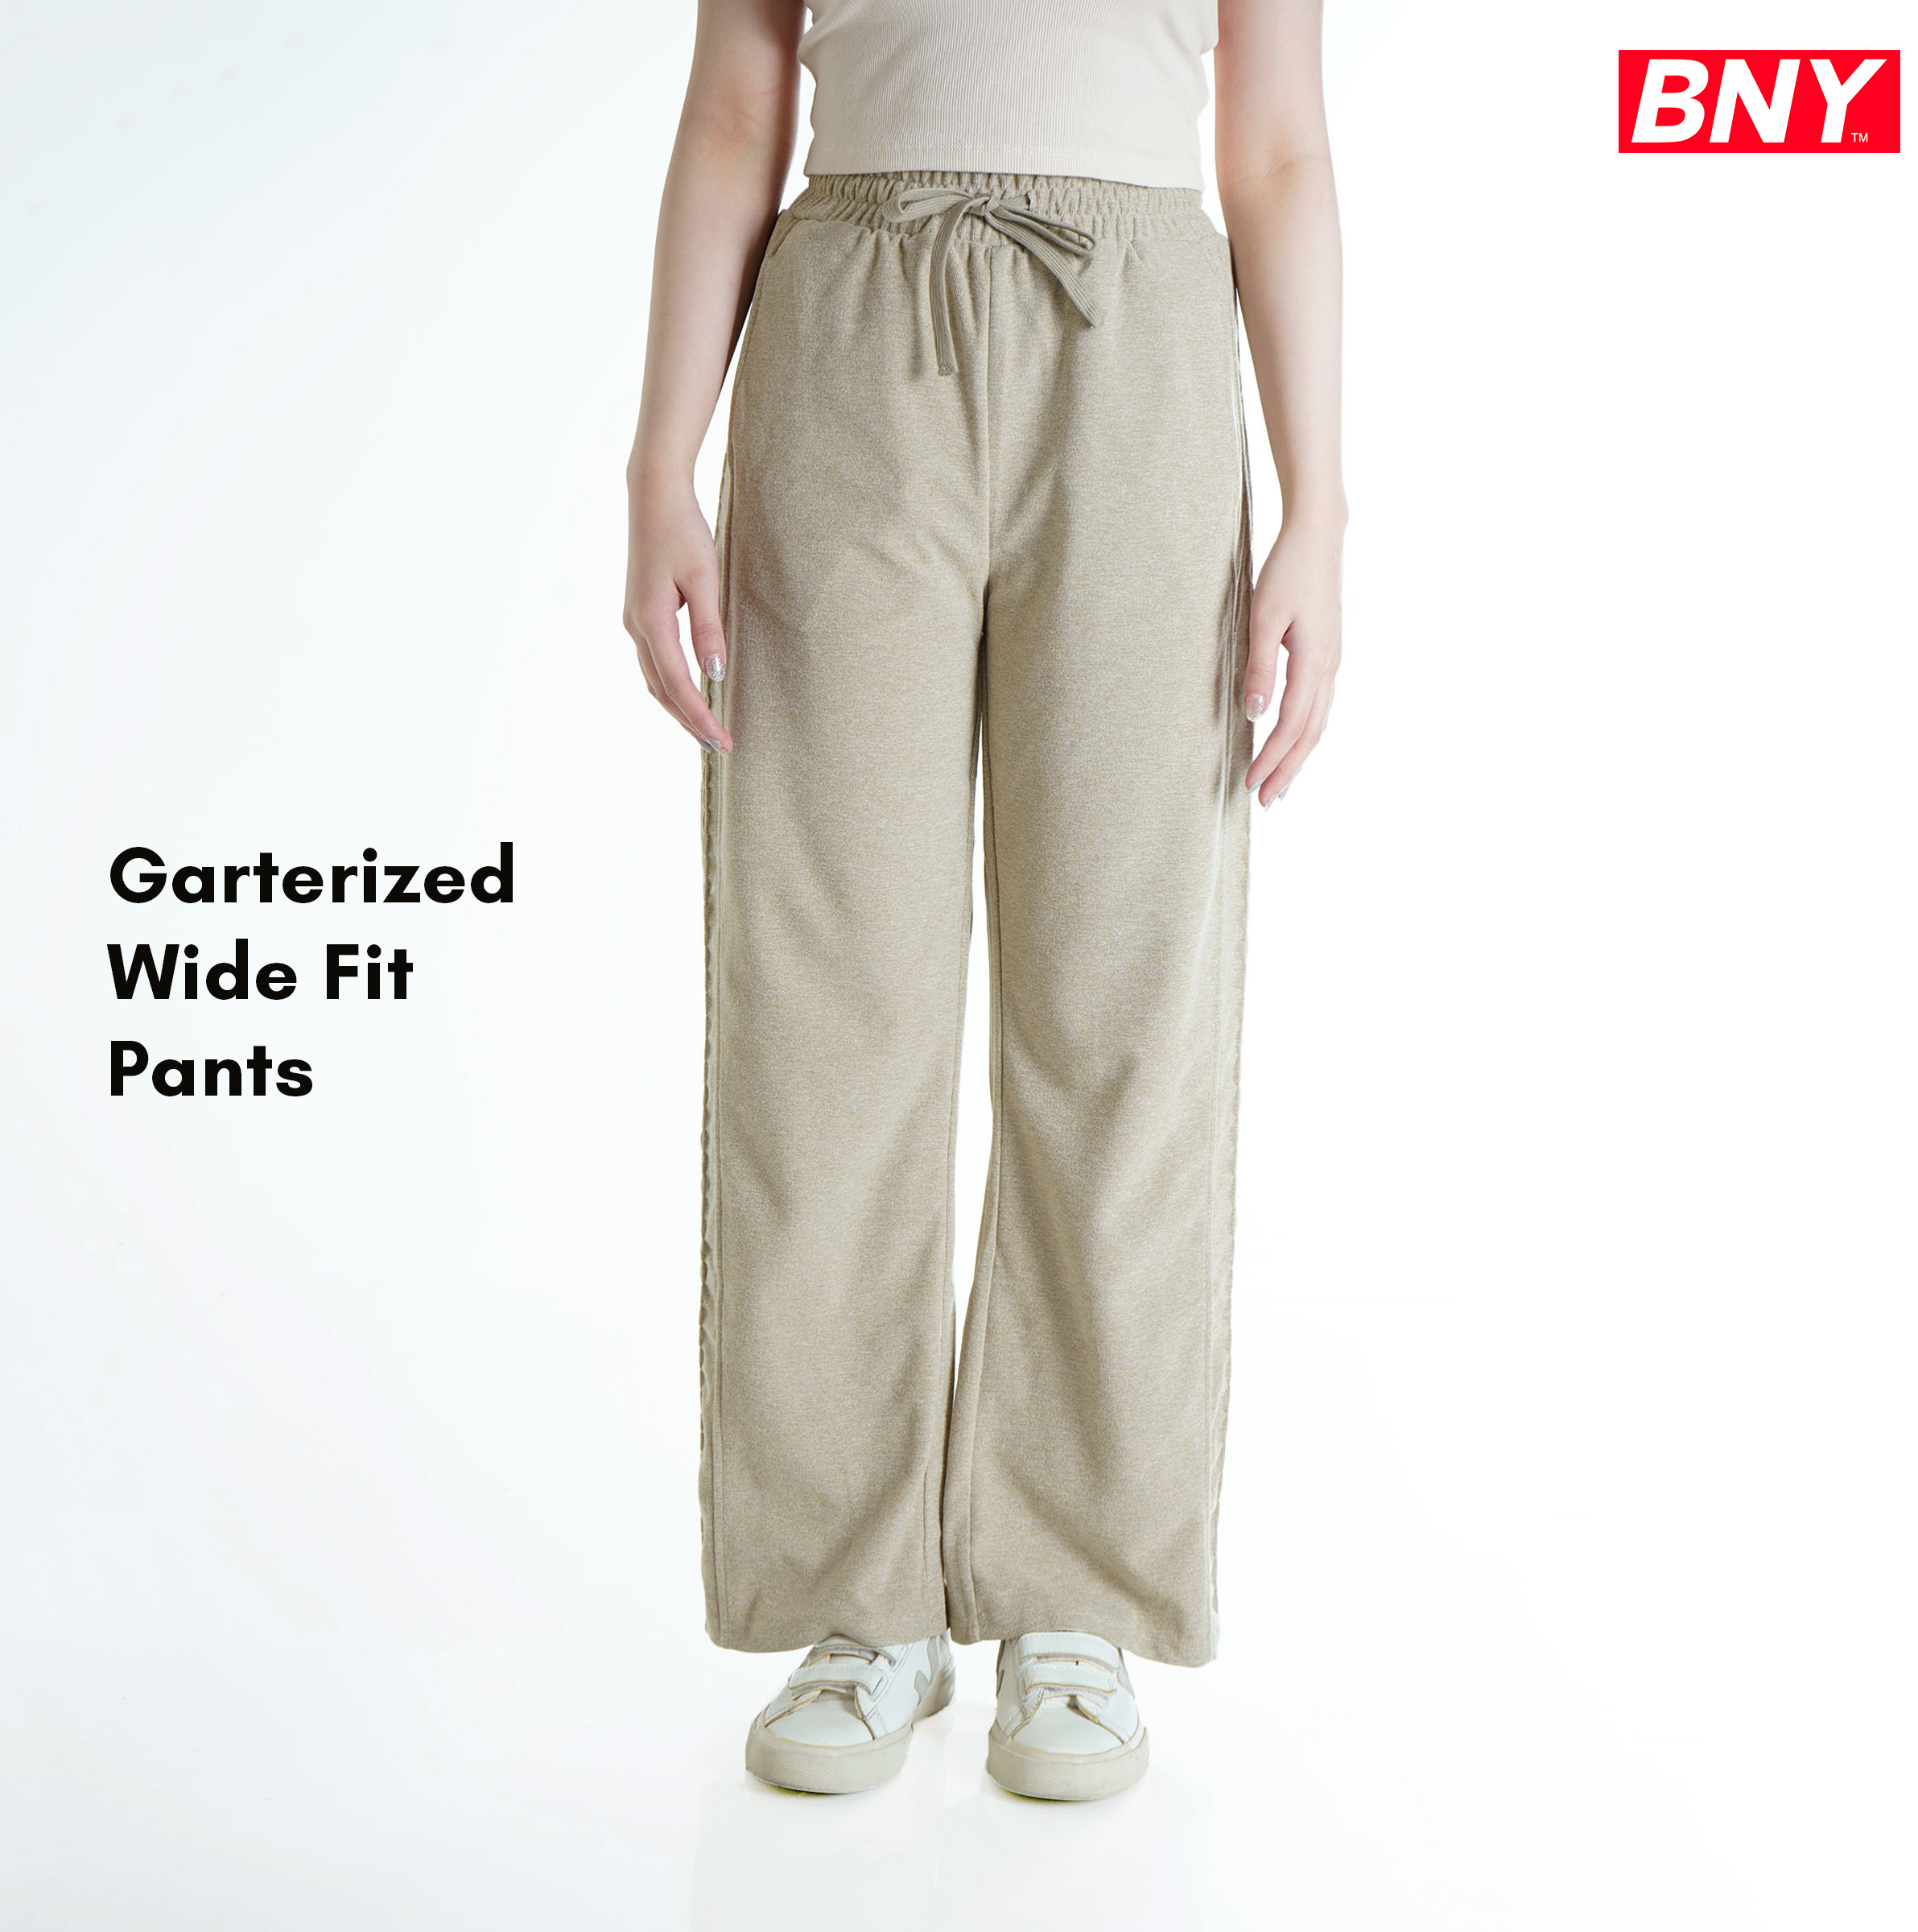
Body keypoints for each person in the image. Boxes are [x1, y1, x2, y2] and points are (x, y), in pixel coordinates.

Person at [621, 0, 1343, 1801]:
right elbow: (734, 116)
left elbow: (1274, 148)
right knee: (826, 994)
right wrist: (658, 468)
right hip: (852, 334)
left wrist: (1320, 508)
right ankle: (855, 1595)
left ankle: (1072, 1587)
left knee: (1120, 1001)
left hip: (1139, 344)